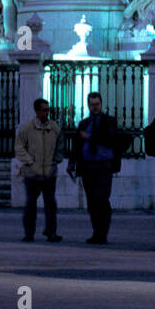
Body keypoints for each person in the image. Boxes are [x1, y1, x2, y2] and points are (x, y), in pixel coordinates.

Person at [67, 92, 127, 245]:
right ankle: (96, 231)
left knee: (102, 199)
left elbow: (109, 139)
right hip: (87, 166)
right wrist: (71, 163)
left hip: (103, 166)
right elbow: (76, 145)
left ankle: (102, 232)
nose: (95, 107)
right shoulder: (84, 123)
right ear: (88, 105)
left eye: (97, 104)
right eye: (92, 105)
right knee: (91, 201)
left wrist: (90, 137)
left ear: (101, 104)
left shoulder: (109, 121)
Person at [14, 98, 64, 243]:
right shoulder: (27, 129)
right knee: (30, 205)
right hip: (32, 174)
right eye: (44, 110)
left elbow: (60, 146)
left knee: (50, 204)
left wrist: (56, 161)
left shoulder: (54, 128)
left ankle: (51, 232)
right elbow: (19, 147)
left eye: (48, 110)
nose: (46, 112)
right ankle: (29, 232)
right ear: (37, 111)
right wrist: (29, 162)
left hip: (49, 173)